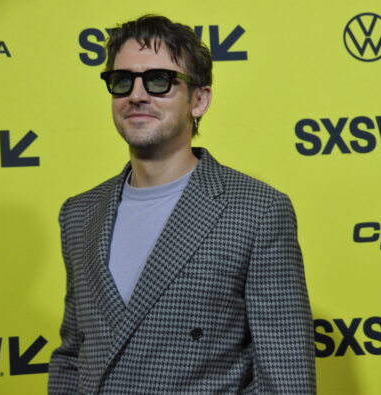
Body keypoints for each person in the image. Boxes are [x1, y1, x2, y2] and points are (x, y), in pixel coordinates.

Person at [47, 15, 315, 394]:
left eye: (160, 81)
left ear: (199, 99)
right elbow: (73, 355)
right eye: (122, 81)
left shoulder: (257, 211)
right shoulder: (79, 214)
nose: (137, 95)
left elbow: (285, 376)